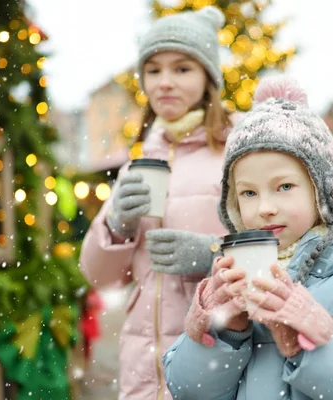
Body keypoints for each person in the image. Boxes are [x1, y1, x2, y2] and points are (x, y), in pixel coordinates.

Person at [162, 75, 333, 399]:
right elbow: (187, 390)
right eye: (249, 192)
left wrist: (316, 346)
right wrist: (224, 332)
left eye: (284, 186)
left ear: (324, 191)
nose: (265, 208)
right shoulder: (227, 282)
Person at [79, 6, 234, 399]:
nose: (165, 82)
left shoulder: (239, 151)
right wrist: (117, 225)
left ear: (207, 77)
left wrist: (213, 256)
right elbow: (99, 277)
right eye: (153, 69)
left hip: (217, 356)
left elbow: (282, 251)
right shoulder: (140, 160)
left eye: (182, 69)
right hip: (142, 369)